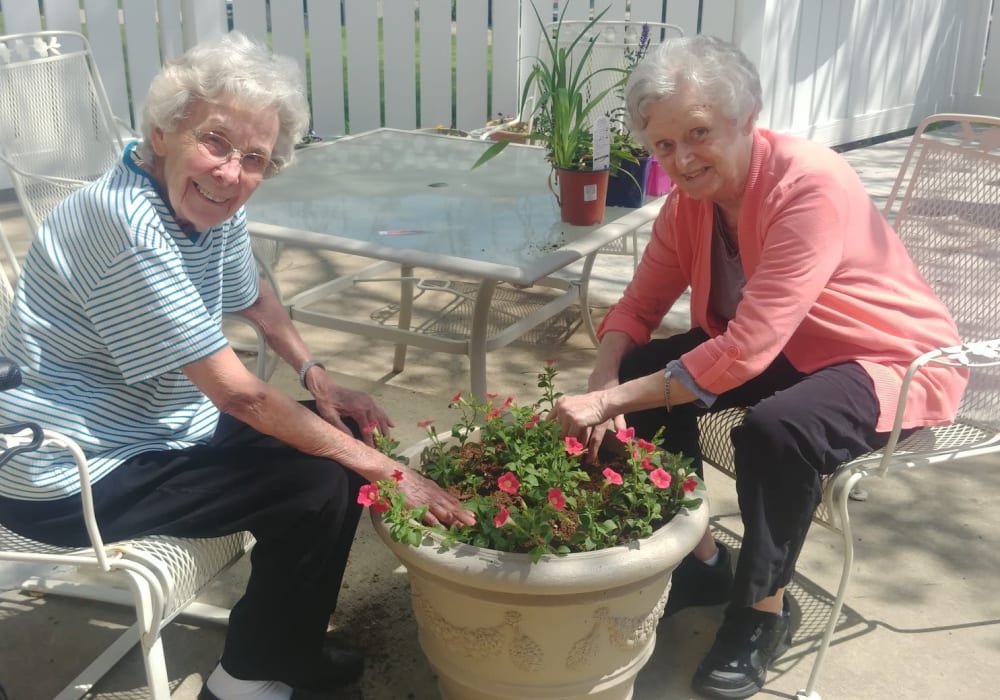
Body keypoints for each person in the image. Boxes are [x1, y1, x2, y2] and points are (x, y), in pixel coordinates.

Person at [0, 32, 473, 700]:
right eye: (215, 141)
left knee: (344, 448)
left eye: (253, 157)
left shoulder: (207, 204)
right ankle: (244, 680)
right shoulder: (125, 224)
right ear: (164, 131)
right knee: (315, 483)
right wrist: (392, 472)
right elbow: (242, 399)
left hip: (160, 429)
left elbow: (253, 296)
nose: (230, 171)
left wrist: (318, 376)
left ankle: (289, 651)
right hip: (72, 471)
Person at [548, 35, 967, 699]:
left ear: (747, 116)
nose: (682, 160)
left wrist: (612, 401)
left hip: (881, 356)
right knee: (648, 367)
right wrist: (607, 380)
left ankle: (760, 613)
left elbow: (744, 349)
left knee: (776, 430)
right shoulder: (690, 204)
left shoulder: (810, 184)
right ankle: (701, 559)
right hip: (783, 347)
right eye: (663, 146)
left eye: (699, 132)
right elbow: (638, 306)